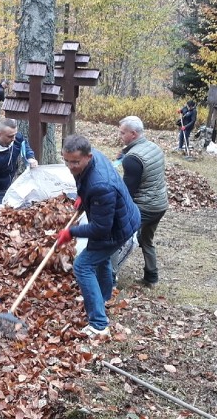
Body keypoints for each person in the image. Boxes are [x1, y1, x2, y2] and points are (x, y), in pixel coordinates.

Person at [57, 134, 141, 337]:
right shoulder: (95, 161)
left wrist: (71, 232)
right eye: (66, 160)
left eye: (75, 161)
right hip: (119, 219)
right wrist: (82, 197)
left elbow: (100, 229)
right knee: (101, 261)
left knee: (82, 265)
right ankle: (102, 298)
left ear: (88, 156)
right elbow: (86, 183)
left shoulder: (100, 185)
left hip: (116, 230)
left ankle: (98, 324)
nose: (70, 166)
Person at [118, 116, 169, 288]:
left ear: (133, 134)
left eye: (122, 133)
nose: (120, 136)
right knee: (146, 240)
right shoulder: (153, 147)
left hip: (144, 207)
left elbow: (127, 193)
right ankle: (151, 278)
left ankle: (108, 277)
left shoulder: (133, 159)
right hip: (160, 205)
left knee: (117, 237)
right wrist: (125, 153)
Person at [0, 118, 39, 219]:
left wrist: (30, 157)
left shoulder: (15, 137)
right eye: (10, 136)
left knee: (11, 217)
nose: (14, 138)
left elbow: (24, 144)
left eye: (15, 135)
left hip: (9, 185)